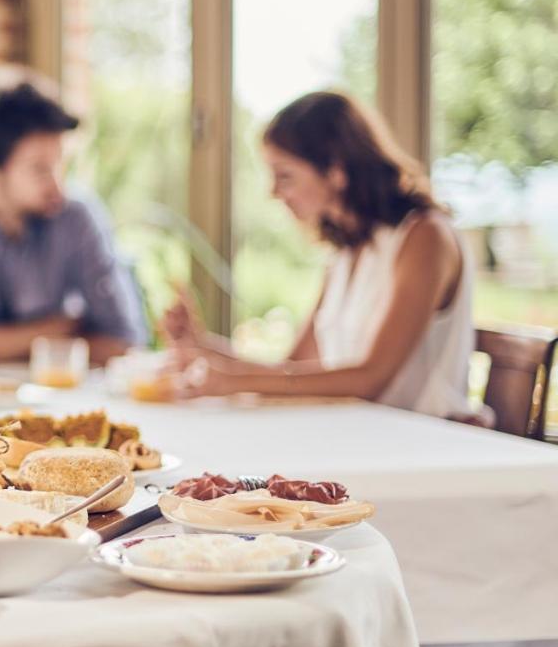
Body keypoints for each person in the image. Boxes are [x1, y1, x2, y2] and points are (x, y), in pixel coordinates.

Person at [163, 90, 474, 419]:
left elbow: (370, 379)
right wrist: (203, 347)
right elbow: (293, 368)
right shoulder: (347, 252)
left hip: (426, 444)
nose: (273, 192)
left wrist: (235, 380)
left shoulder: (425, 237)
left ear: (336, 172)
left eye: (285, 176)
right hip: (363, 436)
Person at [0, 65, 149, 365]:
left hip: (61, 402)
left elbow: (125, 340)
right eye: (39, 170)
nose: (58, 185)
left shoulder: (78, 215)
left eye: (61, 165)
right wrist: (56, 330)